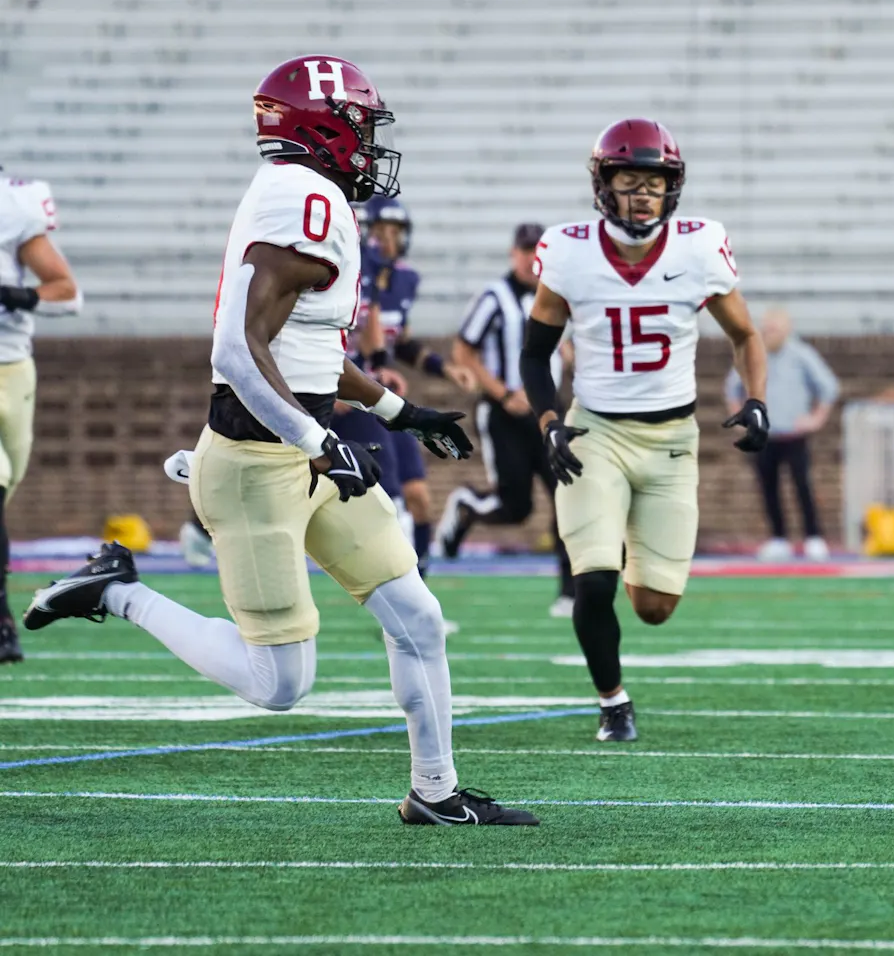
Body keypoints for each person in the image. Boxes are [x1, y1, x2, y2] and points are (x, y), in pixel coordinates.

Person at [22, 56, 537, 826]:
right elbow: (236, 348)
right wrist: (319, 441)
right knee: (279, 684)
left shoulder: (308, 196)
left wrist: (402, 414)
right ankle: (116, 590)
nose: (367, 144)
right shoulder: (304, 197)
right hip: (258, 466)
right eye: (359, 127)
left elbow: (314, 350)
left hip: (301, 456)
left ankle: (435, 791)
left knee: (418, 617)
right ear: (321, 127)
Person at [521, 118, 769, 741]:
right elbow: (534, 353)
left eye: (654, 183)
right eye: (629, 181)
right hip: (595, 434)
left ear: (673, 188)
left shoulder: (700, 245)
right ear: (603, 186)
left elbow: (745, 334)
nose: (643, 194)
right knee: (594, 580)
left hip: (671, 442)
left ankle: (621, 530)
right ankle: (613, 702)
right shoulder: (569, 249)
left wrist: (757, 397)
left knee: (654, 609)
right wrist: (549, 419)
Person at [440, 222, 574, 618]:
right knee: (516, 508)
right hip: (505, 414)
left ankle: (569, 591)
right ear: (514, 253)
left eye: (538, 251)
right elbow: (464, 350)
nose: (532, 258)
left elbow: (562, 342)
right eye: (525, 250)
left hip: (549, 412)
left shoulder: (558, 293)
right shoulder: (494, 297)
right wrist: (500, 392)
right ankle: (467, 504)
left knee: (567, 497)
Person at [359, 195, 478, 577]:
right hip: (348, 395)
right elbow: (364, 334)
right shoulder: (351, 274)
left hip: (380, 392)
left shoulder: (405, 279)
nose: (389, 240)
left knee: (419, 499)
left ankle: (419, 595)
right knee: (388, 500)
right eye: (381, 231)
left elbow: (401, 343)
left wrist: (447, 369)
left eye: (395, 232)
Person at [0, 167, 81, 663]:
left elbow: (66, 292)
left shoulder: (13, 205)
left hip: (12, 369)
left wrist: (17, 295)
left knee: (7, 484)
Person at [724, 308, 840, 561]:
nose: (769, 334)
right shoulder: (752, 354)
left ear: (787, 329)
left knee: (802, 487)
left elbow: (828, 387)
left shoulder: (802, 355)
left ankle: (813, 536)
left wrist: (815, 419)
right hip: (765, 435)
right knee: (768, 488)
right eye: (766, 329)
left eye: (774, 329)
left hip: (793, 435)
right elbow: (732, 389)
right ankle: (778, 537)